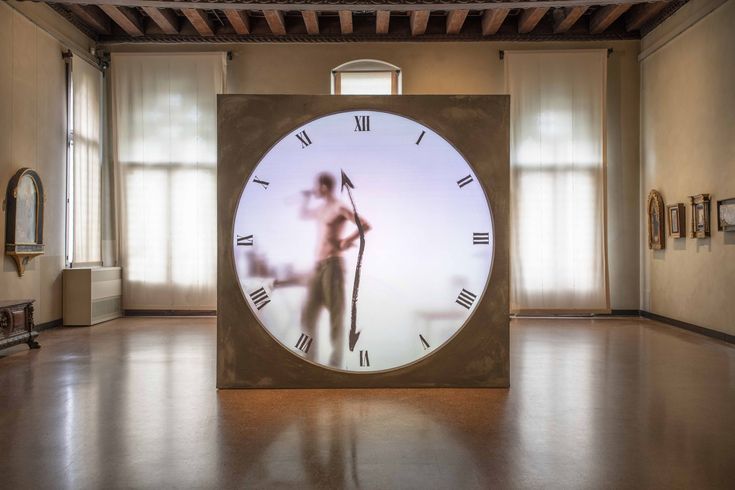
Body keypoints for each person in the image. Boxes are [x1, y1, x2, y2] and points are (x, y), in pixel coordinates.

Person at [300, 172, 371, 367]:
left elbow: (365, 224)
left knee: (335, 316)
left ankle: (334, 366)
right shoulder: (321, 209)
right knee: (308, 314)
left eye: (316, 187)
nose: (314, 190)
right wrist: (305, 199)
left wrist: (346, 240)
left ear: (323, 187)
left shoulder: (339, 207)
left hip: (333, 265)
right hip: (318, 266)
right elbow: (303, 214)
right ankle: (310, 361)